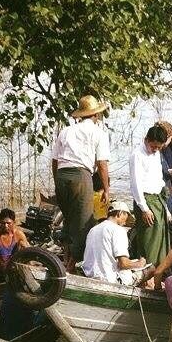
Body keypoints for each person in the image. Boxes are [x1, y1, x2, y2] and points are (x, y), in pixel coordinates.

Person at [52, 95, 111, 268]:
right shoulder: (98, 133)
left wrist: (58, 181)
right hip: (80, 176)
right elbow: (102, 164)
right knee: (84, 223)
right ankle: (71, 265)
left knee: (69, 220)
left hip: (62, 176)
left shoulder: (66, 131)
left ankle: (65, 260)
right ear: (96, 116)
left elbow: (55, 161)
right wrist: (106, 189)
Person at [130, 124, 171, 267]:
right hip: (145, 200)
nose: (155, 150)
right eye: (153, 146)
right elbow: (136, 184)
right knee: (149, 241)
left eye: (159, 147)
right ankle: (146, 273)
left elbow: (158, 179)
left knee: (160, 238)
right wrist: (144, 208)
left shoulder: (157, 153)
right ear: (146, 140)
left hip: (158, 199)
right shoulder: (137, 155)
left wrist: (165, 208)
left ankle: (158, 273)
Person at [82, 201, 148, 285]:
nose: (125, 222)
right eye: (126, 218)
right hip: (108, 279)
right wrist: (139, 264)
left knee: (133, 262)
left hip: (90, 274)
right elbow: (123, 264)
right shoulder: (118, 230)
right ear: (119, 214)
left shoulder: (93, 229)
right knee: (151, 269)